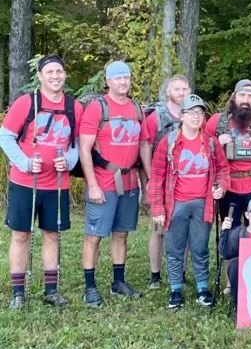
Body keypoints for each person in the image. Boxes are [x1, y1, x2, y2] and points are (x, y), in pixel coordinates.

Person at [0, 54, 83, 308]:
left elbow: (78, 143)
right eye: (50, 72)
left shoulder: (74, 107)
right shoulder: (27, 103)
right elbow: (5, 136)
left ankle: (51, 290)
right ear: (40, 76)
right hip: (25, 183)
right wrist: (24, 162)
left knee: (52, 235)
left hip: (57, 184)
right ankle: (18, 293)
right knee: (21, 235)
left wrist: (69, 161)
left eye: (59, 71)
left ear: (65, 75)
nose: (55, 76)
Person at [79, 60, 151, 306]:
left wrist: (149, 178)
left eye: (126, 77)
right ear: (108, 81)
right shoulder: (97, 108)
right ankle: (90, 286)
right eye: (118, 78)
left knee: (121, 234)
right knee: (94, 236)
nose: (123, 82)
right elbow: (85, 149)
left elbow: (143, 144)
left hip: (129, 183)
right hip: (104, 182)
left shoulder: (136, 108)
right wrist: (92, 185)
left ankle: (118, 282)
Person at [148, 94, 230, 310]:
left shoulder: (210, 142)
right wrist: (157, 208)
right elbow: (156, 177)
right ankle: (176, 289)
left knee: (200, 247)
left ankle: (203, 288)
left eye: (200, 112)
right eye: (191, 112)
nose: (196, 117)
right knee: (174, 248)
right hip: (175, 204)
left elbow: (223, 169)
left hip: (203, 204)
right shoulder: (169, 142)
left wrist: (221, 187)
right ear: (182, 116)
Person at [206, 79, 251, 228]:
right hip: (226, 188)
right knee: (230, 233)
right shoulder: (217, 122)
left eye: (250, 96)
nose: (246, 100)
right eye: (242, 95)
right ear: (234, 97)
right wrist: (216, 145)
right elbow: (201, 155)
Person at [143, 73, 190, 288]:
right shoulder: (157, 117)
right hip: (162, 182)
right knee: (158, 229)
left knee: (185, 229)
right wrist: (150, 176)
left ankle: (180, 273)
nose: (181, 93)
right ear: (168, 92)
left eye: (184, 89)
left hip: (186, 183)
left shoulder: (194, 114)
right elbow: (145, 145)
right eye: (177, 89)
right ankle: (155, 275)